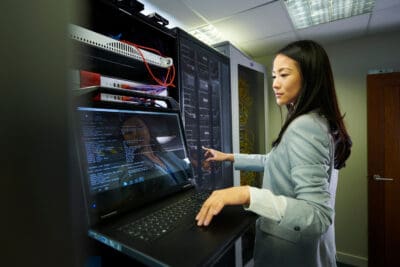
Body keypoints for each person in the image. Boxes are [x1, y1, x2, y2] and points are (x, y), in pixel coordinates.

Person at [195, 40, 352, 267]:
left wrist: (248, 194)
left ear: (309, 77)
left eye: (284, 75)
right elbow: (276, 161)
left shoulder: (305, 126)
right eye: (274, 76)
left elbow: (317, 215)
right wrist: (228, 157)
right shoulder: (318, 120)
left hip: (291, 253)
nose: (275, 84)